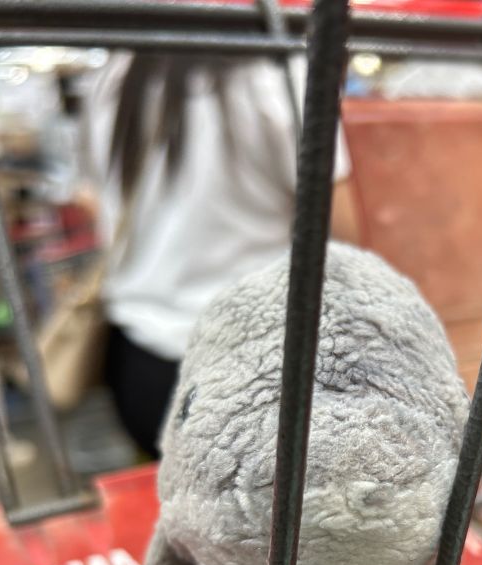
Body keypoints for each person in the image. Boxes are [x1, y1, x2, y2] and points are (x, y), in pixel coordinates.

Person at [83, 53, 359, 456]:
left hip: (139, 361)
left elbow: (95, 200)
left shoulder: (115, 75)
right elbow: (346, 231)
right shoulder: (276, 73)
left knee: (169, 487)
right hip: (258, 370)